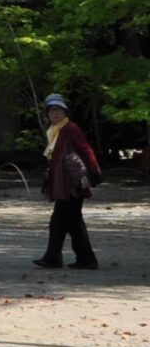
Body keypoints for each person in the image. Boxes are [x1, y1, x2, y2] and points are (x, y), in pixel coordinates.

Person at [35, 92, 103, 271]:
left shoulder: (70, 128)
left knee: (60, 221)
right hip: (63, 184)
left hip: (73, 184)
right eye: (51, 111)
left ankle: (54, 257)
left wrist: (94, 173)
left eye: (58, 110)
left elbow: (85, 149)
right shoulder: (54, 131)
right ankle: (85, 259)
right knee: (71, 222)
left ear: (64, 112)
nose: (55, 114)